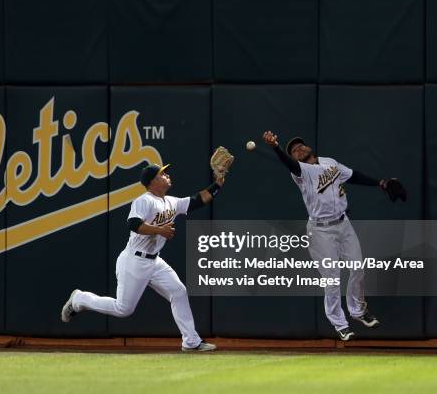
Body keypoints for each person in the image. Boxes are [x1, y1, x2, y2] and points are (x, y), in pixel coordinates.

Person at [61, 163, 226, 351]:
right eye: (163, 174)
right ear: (153, 181)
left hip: (154, 261)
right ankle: (80, 299)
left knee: (179, 292)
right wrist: (160, 230)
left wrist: (218, 182)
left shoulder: (171, 201)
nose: (167, 175)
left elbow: (199, 200)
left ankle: (191, 342)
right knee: (123, 309)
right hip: (134, 261)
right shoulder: (144, 200)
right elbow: (133, 223)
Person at [262, 131, 406, 341]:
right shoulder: (301, 171)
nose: (298, 149)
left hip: (343, 223)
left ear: (309, 147)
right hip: (320, 231)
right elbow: (290, 164)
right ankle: (340, 324)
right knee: (332, 280)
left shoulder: (330, 162)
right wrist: (276, 147)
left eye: (300, 145)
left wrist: (381, 183)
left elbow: (353, 175)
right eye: (293, 150)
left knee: (358, 268)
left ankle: (358, 311)